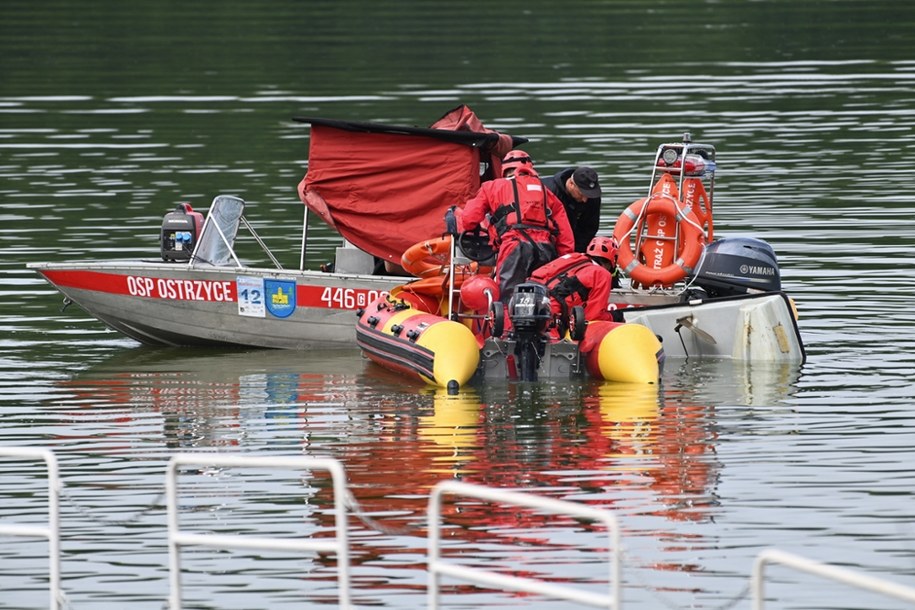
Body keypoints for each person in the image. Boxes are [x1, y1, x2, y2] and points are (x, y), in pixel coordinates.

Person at [461, 150, 575, 307]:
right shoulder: (546, 192)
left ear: (505, 170)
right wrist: (562, 263)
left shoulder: (492, 187)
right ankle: (544, 328)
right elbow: (565, 237)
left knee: (508, 296)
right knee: (542, 297)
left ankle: (506, 329)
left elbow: (468, 219)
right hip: (545, 250)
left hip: (513, 246)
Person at [528, 235, 620, 325]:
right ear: (613, 259)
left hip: (526, 298)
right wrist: (614, 317)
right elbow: (592, 316)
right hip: (551, 313)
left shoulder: (573, 257)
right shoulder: (602, 274)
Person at [542, 166, 602, 253]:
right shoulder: (547, 191)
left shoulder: (592, 197)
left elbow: (589, 229)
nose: (585, 200)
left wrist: (575, 253)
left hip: (574, 242)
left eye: (589, 194)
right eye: (582, 193)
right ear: (571, 184)